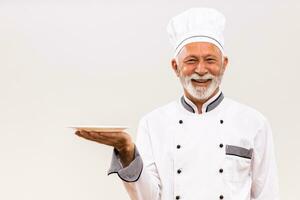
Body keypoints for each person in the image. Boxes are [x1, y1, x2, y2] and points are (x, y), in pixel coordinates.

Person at [75, 7, 280, 200]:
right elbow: (148, 197)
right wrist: (126, 150)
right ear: (176, 66)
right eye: (191, 61)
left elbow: (267, 195)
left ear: (224, 64)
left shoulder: (254, 123)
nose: (201, 69)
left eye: (210, 59)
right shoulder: (152, 123)